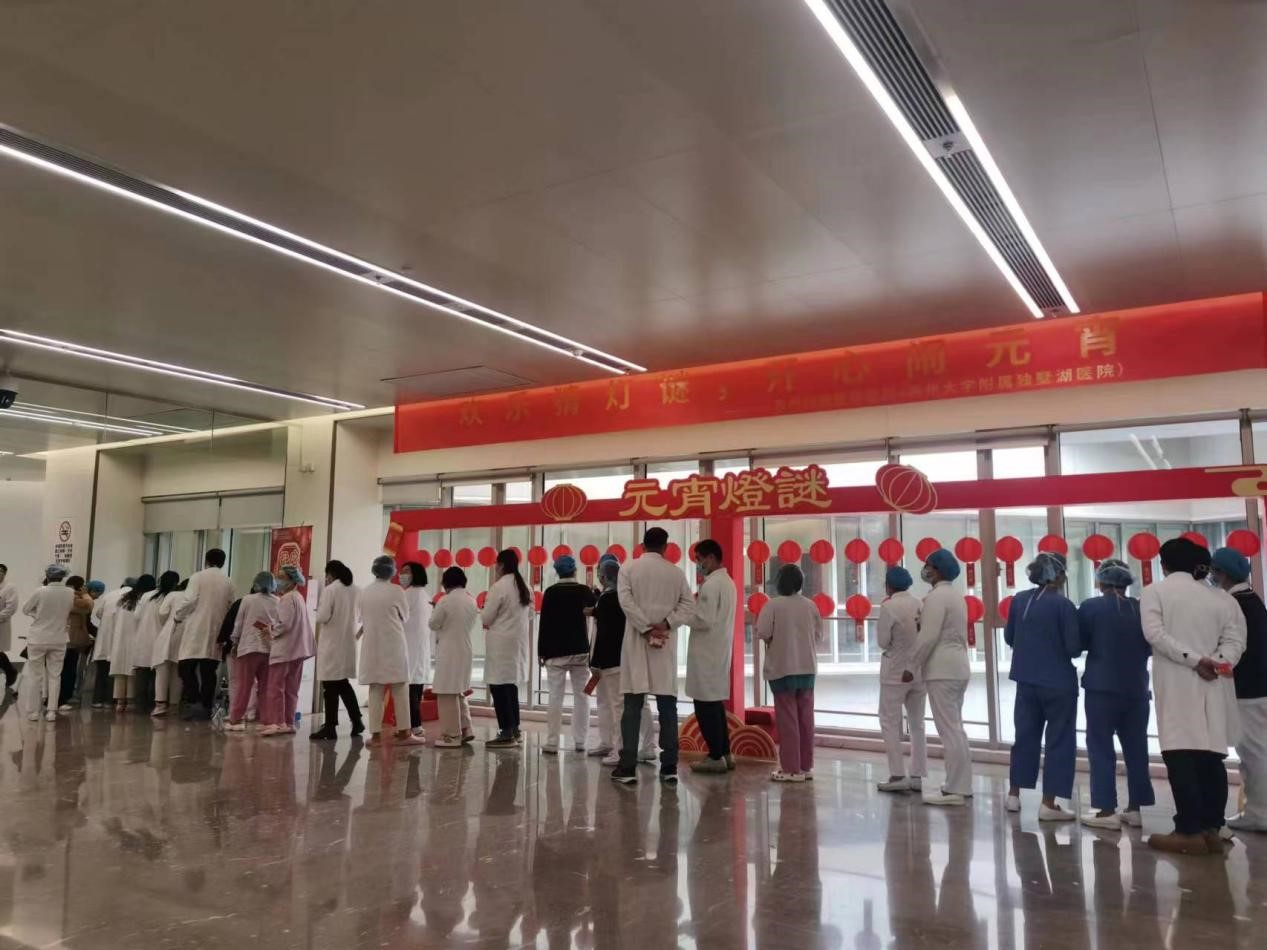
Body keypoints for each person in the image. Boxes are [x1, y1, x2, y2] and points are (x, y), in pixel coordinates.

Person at [1141, 538, 1245, 854]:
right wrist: (1217, 662)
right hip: (1214, 684)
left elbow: (1155, 635)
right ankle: (1211, 828)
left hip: (1177, 684)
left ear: (1164, 564)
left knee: (1181, 754)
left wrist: (1195, 660)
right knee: (1211, 755)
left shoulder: (1155, 592)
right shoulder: (1222, 598)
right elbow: (1236, 641)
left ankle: (1187, 830)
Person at [611, 527, 696, 786]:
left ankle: (627, 767)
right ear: (665, 547)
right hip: (665, 644)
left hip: (636, 643)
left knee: (632, 706)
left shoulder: (628, 568)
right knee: (667, 706)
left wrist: (645, 628)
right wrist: (666, 624)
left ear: (642, 545)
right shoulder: (676, 572)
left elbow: (625, 603)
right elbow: (688, 605)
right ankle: (669, 766)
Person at [1003, 552, 1081, 820]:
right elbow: (1073, 648)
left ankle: (1014, 795)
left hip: (1026, 680)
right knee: (1059, 741)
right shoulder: (1064, 606)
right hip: (1058, 683)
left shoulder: (1019, 600)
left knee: (1025, 737)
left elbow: (1009, 637)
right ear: (1057, 574)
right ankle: (1048, 804)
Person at [1078, 559, 1154, 830]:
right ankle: (1135, 809)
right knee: (1137, 748)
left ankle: (1106, 809)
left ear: (1100, 582)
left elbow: (1078, 643)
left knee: (1100, 747)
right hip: (1136, 689)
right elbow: (1151, 645)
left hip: (1102, 689)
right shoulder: (1141, 609)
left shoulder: (1091, 607)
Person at [905, 548, 973, 806]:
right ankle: (961, 784)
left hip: (941, 669)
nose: (925, 569)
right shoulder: (956, 596)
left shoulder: (935, 598)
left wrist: (911, 665)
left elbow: (928, 636)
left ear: (939, 570)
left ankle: (955, 789)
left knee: (949, 730)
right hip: (957, 667)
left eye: (929, 565)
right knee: (956, 728)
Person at [1207, 547, 1267, 833]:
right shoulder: (1253, 600)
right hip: (1260, 688)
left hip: (1248, 692)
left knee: (1254, 754)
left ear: (1222, 573)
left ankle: (1259, 813)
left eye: (1213, 571)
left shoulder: (1234, 604)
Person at [756, 563, 824, 782]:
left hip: (782, 667)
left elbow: (763, 631)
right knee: (806, 719)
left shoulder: (773, 605)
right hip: (807, 668)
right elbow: (819, 635)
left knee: (787, 720)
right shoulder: (810, 605)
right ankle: (805, 766)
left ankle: (791, 769)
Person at [587, 558, 656, 765]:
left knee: (619, 707)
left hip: (612, 661)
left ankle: (621, 751)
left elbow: (604, 634)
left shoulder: (608, 599)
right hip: (629, 657)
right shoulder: (626, 598)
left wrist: (596, 662)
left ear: (603, 576)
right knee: (635, 703)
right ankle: (643, 746)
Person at [685, 539, 737, 774]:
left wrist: (683, 615)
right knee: (715, 705)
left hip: (706, 653)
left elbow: (704, 620)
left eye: (699, 559)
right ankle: (725, 753)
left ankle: (715, 755)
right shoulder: (728, 583)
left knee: (705, 706)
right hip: (718, 650)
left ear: (711, 557)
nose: (698, 564)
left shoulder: (711, 585)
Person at [359, 555, 422, 748]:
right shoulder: (397, 591)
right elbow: (405, 616)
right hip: (393, 645)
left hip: (372, 646)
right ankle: (404, 733)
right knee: (400, 688)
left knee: (375, 690)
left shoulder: (365, 592)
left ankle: (375, 736)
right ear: (392, 571)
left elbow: (362, 618)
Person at [538, 554, 596, 754]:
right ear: (575, 570)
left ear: (557, 572)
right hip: (580, 651)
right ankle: (580, 741)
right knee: (582, 697)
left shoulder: (551, 592)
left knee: (555, 697)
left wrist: (542, 651)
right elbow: (596, 606)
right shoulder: (584, 591)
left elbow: (545, 623)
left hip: (555, 653)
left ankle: (552, 742)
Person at [876, 566, 926, 793]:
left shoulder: (888, 607)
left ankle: (897, 774)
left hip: (895, 672)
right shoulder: (919, 604)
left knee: (889, 721)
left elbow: (883, 641)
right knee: (917, 723)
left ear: (888, 586)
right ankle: (917, 775)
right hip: (918, 671)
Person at [175, 548, 235, 720]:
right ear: (223, 562)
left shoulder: (197, 577)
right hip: (216, 631)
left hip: (196, 629)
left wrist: (178, 616)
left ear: (206, 560)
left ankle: (194, 702)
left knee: (186, 668)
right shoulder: (228, 581)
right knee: (209, 672)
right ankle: (206, 706)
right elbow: (230, 605)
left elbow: (190, 600)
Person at [482, 549, 532, 748]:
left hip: (501, 644)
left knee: (498, 687)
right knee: (510, 687)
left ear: (501, 565)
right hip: (517, 643)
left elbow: (486, 617)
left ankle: (506, 732)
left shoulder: (499, 587)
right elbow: (530, 614)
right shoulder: (524, 585)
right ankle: (515, 729)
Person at [311, 560, 364, 740]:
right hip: (348, 643)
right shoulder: (357, 590)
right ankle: (355, 720)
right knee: (342, 684)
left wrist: (317, 611)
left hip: (332, 645)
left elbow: (323, 616)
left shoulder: (331, 590)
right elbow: (361, 618)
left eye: (326, 575)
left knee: (330, 687)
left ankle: (331, 727)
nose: (326, 578)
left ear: (331, 574)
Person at [429, 566, 478, 748]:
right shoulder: (471, 600)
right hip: (465, 649)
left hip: (449, 650)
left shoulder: (445, 600)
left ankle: (452, 735)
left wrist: (435, 610)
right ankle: (466, 729)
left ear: (446, 583)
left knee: (446, 692)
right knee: (459, 690)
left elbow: (433, 624)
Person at [20, 564, 75, 721]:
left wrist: (37, 615)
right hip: (59, 638)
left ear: (48, 576)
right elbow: (68, 611)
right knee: (55, 676)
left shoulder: (40, 591)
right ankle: (51, 711)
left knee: (35, 675)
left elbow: (25, 609)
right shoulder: (70, 592)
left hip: (38, 638)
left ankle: (33, 711)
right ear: (62, 576)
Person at [227, 571, 281, 732]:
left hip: (248, 648)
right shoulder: (278, 601)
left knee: (243, 686)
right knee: (266, 687)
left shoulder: (248, 600)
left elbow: (239, 623)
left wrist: (234, 642)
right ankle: (266, 720)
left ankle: (236, 719)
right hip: (269, 649)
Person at [269, 565, 316, 737]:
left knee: (276, 688)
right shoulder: (298, 597)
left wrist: (270, 631)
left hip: (285, 650)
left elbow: (285, 624)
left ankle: (278, 722)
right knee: (291, 688)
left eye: (282, 577)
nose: (278, 581)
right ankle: (288, 722)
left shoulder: (287, 598)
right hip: (298, 650)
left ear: (292, 580)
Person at [133, 570, 179, 713]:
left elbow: (136, 616)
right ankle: (156, 704)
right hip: (161, 639)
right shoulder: (171, 597)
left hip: (143, 638)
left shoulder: (147, 595)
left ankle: (141, 706)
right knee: (159, 675)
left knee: (142, 672)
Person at [111, 574, 156, 713]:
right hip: (136, 637)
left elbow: (113, 617)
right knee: (132, 671)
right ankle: (131, 701)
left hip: (120, 638)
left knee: (120, 671)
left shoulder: (124, 599)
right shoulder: (145, 599)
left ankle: (120, 702)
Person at [400, 561, 433, 737]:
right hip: (419, 647)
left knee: (410, 688)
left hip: (409, 646)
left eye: (407, 571)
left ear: (416, 574)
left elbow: (398, 617)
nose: (402, 574)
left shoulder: (408, 594)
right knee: (416, 687)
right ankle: (416, 724)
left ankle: (412, 725)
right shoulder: (425, 594)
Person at [90, 578, 132, 708]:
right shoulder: (134, 596)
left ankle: (97, 700)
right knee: (116, 672)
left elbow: (99, 614)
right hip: (121, 640)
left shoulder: (109, 595)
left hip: (104, 639)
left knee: (102, 671)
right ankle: (110, 701)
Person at [150, 577, 189, 717]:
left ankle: (160, 705)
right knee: (177, 672)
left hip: (168, 632)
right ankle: (174, 705)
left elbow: (162, 613)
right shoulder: (195, 598)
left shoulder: (173, 595)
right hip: (186, 635)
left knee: (162, 670)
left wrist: (165, 624)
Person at [57, 575, 94, 710]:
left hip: (68, 638)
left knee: (68, 669)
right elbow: (89, 606)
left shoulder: (67, 597)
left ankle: (64, 696)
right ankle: (63, 697)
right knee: (68, 669)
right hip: (70, 639)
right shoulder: (73, 598)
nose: (84, 588)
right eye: (82, 585)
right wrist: (85, 594)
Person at [0, 563, 18, 691]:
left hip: (1, 624)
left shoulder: (9, 588)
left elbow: (11, 607)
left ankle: (10, 671)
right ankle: (10, 671)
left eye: (1, 571)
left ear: (5, 573)